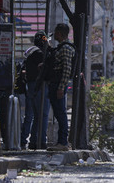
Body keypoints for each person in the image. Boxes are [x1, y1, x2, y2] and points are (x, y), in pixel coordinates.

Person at [46, 23, 75, 152]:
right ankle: (61, 142)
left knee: (61, 114)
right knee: (59, 113)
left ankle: (63, 142)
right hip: (55, 83)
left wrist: (61, 87)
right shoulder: (60, 48)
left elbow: (66, 70)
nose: (55, 35)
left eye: (56, 32)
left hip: (59, 84)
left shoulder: (66, 48)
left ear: (60, 33)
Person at [20, 31, 50, 150]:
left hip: (31, 86)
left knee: (33, 115)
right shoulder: (40, 53)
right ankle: (40, 140)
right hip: (39, 86)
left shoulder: (31, 52)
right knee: (42, 114)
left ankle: (30, 141)